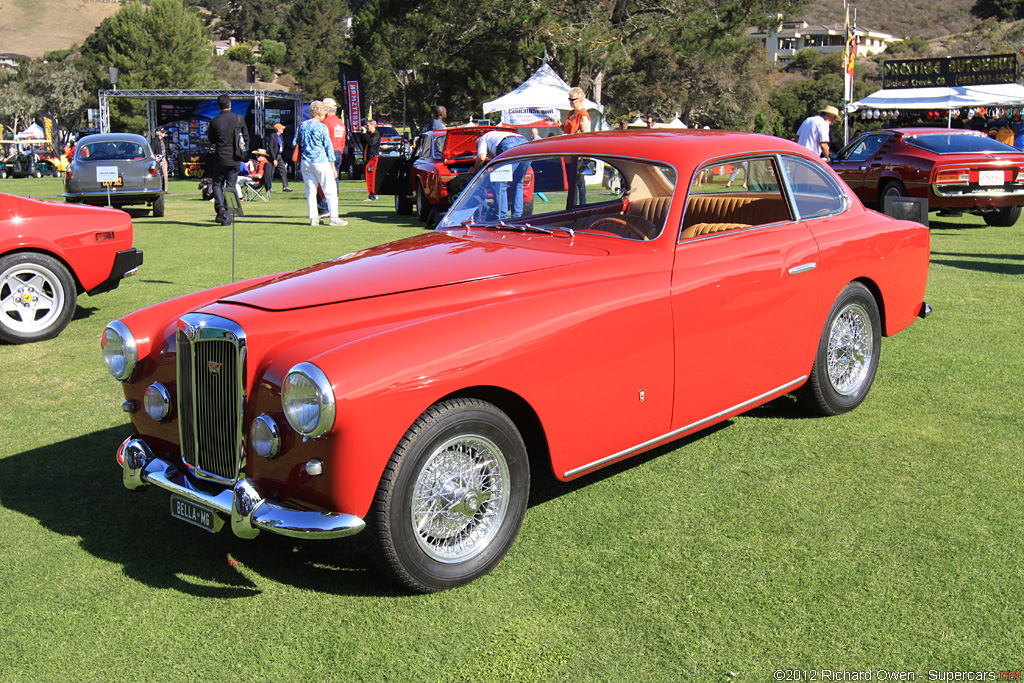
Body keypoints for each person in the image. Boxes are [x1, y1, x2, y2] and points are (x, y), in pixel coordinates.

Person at [297, 100, 346, 226]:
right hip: (320, 161)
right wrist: (333, 166)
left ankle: (314, 219)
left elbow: (295, 143)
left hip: (306, 161)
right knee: (330, 190)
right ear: (320, 112)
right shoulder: (321, 126)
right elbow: (328, 147)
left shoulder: (302, 125)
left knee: (310, 191)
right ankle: (334, 218)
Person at [207, 94, 250, 225]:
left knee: (217, 184)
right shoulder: (238, 119)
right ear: (230, 105)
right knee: (231, 186)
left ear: (219, 106)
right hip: (235, 157)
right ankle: (227, 217)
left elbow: (211, 139)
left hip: (220, 156)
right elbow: (246, 138)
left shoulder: (214, 121)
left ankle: (220, 207)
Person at [471, 130, 529, 219]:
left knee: (500, 183)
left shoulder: (482, 139)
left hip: (508, 145)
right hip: (526, 144)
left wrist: (475, 170)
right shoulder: (496, 135)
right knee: (518, 183)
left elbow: (481, 158)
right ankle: (517, 217)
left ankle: (502, 218)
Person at [562, 87, 591, 203]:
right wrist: (561, 126)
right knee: (572, 182)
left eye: (572, 99)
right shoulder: (571, 113)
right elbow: (568, 131)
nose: (570, 101)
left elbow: (585, 135)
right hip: (568, 152)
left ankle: (580, 206)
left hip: (577, 153)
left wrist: (583, 155)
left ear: (579, 99)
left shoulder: (583, 114)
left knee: (578, 182)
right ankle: (574, 206)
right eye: (569, 99)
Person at [266, 122, 292, 192]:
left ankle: (285, 187)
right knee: (271, 172)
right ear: (278, 129)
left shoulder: (281, 136)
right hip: (273, 156)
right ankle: (269, 187)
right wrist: (274, 159)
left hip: (279, 155)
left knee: (283, 170)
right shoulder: (273, 136)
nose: (283, 130)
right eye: (281, 129)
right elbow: (270, 147)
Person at [363, 120, 381, 201]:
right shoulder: (368, 134)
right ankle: (371, 195)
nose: (367, 127)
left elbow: (371, 142)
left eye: (368, 125)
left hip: (372, 159)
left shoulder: (376, 134)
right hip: (366, 158)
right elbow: (362, 141)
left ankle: (373, 195)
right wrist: (363, 134)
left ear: (373, 125)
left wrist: (365, 135)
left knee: (371, 178)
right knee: (367, 178)